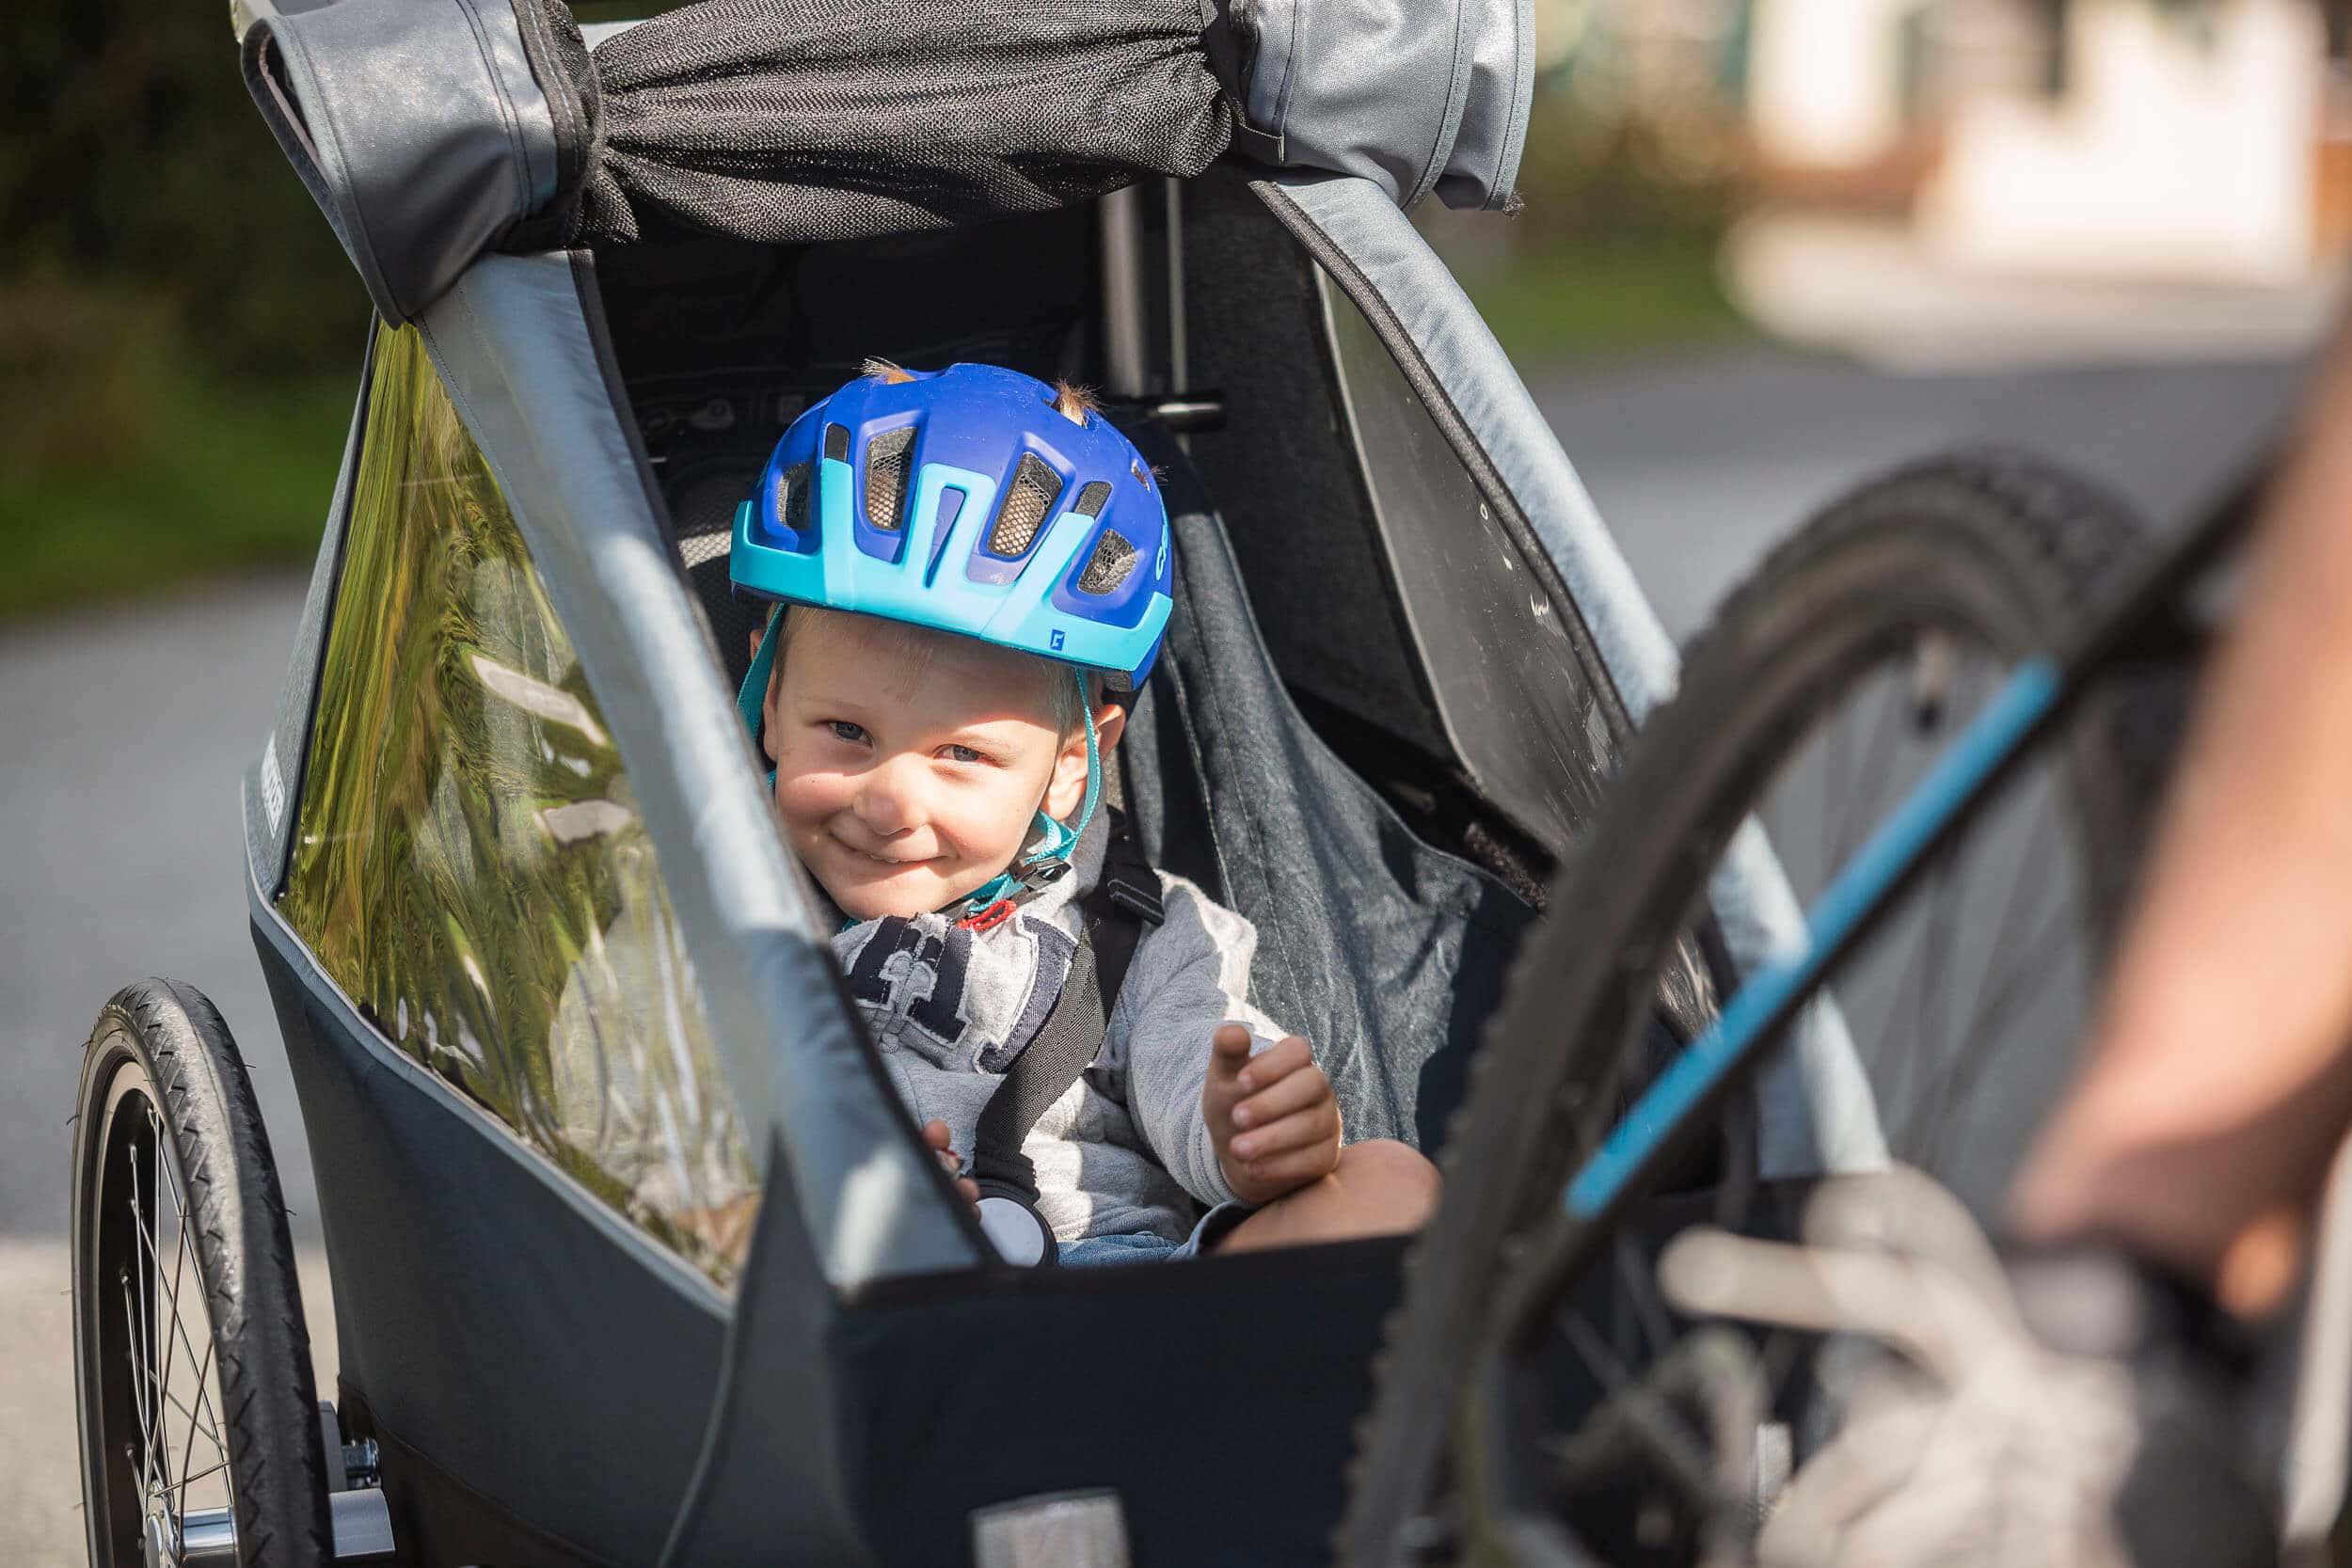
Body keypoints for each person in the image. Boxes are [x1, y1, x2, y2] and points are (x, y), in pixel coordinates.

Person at [729, 357, 1438, 1266]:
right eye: (846, 730)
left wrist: (1243, 1129)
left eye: (962, 755)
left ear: (1074, 765)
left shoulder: (1137, 925)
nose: (892, 799)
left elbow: (1194, 1046)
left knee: (1389, 1183)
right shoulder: (712, 880)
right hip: (857, 1309)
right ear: (771, 691)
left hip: (1116, 1293)